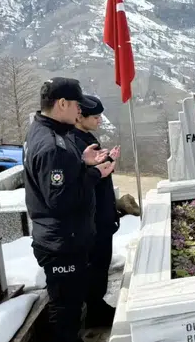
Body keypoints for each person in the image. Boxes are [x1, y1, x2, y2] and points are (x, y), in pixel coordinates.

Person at [24, 77, 115, 342]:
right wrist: (94, 173)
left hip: (60, 237)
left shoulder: (41, 132)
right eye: (77, 105)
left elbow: (56, 181)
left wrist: (81, 162)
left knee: (70, 305)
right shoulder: (53, 146)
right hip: (61, 242)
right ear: (62, 103)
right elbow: (60, 200)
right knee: (66, 311)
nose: (79, 112)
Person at [69, 95, 121, 328]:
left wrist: (107, 162)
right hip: (93, 218)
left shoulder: (86, 139)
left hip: (101, 215)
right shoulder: (76, 143)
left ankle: (97, 305)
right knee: (96, 265)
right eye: (96, 116)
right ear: (80, 116)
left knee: (102, 263)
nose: (100, 120)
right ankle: (95, 310)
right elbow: (85, 181)